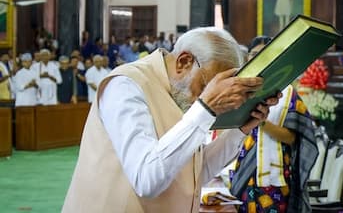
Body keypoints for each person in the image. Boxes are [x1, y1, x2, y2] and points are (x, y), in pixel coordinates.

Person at [62, 27, 281, 212]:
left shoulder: (179, 94)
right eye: (207, 86)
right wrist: (205, 107)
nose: (207, 96)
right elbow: (146, 180)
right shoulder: (126, 86)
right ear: (184, 62)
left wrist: (239, 130)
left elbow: (194, 173)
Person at [229, 36, 318, 213]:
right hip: (244, 169)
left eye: (265, 54)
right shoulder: (238, 89)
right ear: (247, 57)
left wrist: (261, 122)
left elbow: (293, 138)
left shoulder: (287, 93)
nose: (258, 58)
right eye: (254, 54)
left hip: (275, 178)